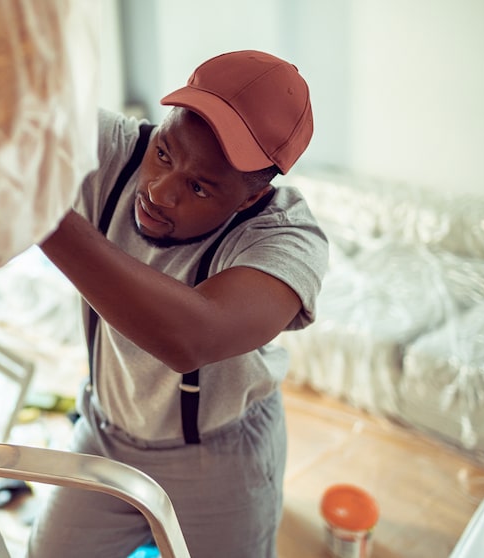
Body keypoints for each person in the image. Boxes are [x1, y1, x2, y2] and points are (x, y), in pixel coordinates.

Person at [29, 50, 329, 557]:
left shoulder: (285, 241)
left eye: (198, 186)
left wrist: (36, 209)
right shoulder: (117, 149)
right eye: (165, 153)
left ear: (251, 198)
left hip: (217, 455)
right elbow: (12, 118)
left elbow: (190, 338)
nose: (158, 192)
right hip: (107, 430)